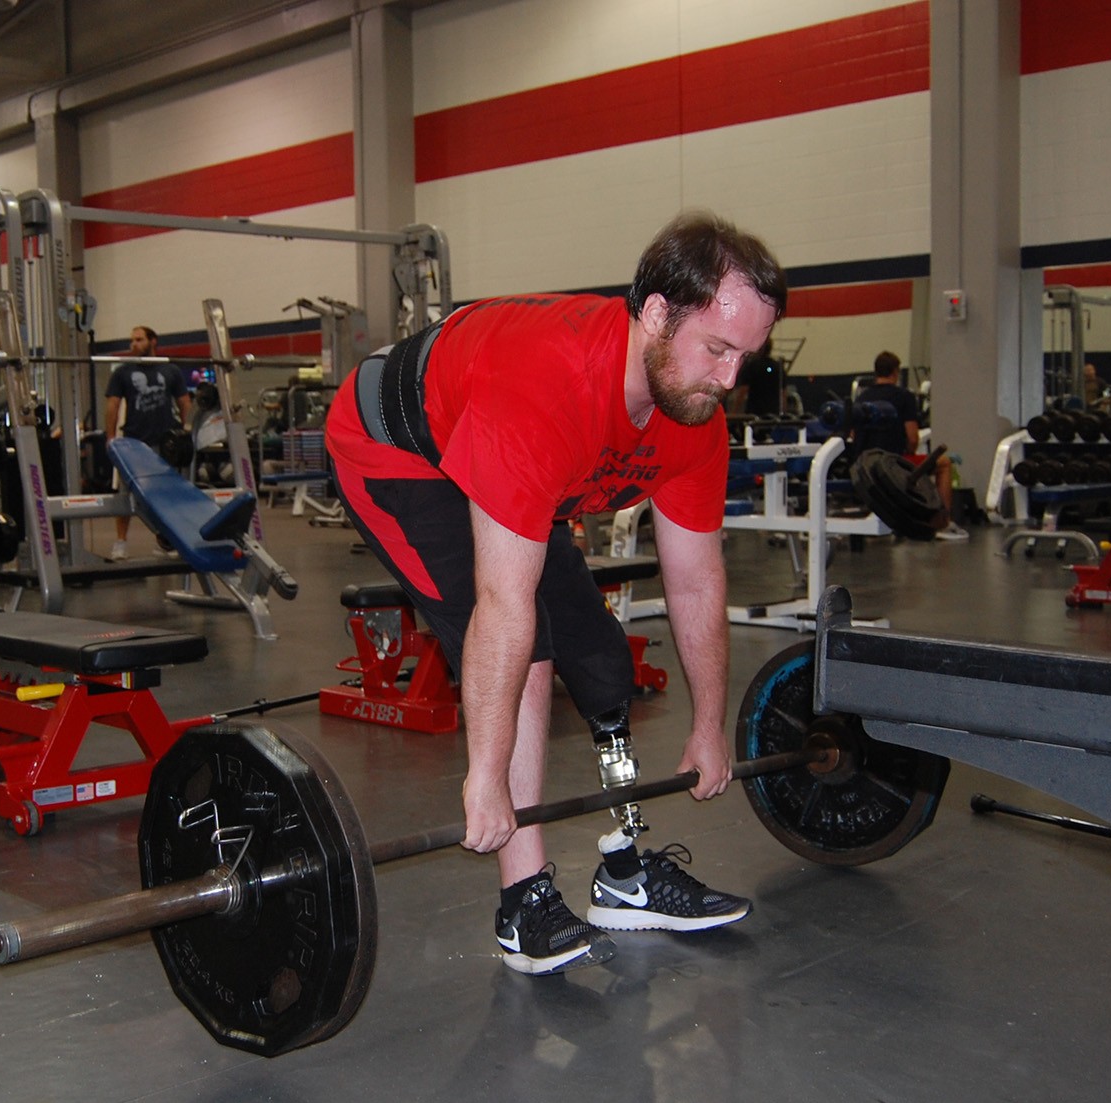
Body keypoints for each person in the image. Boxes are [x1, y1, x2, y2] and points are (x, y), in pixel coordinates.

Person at [325, 211, 783, 976]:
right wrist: (486, 777)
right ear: (658, 313)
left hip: (503, 439)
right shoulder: (546, 385)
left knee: (601, 656)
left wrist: (710, 727)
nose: (730, 379)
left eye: (747, 358)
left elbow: (697, 575)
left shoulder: (693, 413)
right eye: (718, 349)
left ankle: (626, 871)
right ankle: (523, 900)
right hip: (397, 453)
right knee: (528, 644)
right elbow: (504, 609)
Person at [850, 351, 965, 541]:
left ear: (876, 372)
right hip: (892, 465)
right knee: (944, 463)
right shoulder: (904, 396)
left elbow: (854, 434)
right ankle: (943, 523)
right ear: (895, 372)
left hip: (865, 466)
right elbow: (912, 438)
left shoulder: (862, 398)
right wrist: (909, 455)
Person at [104, 326, 193, 559]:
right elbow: (112, 405)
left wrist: (187, 432)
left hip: (165, 442)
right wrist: (110, 438)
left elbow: (184, 402)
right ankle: (121, 542)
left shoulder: (170, 369)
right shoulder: (123, 372)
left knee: (167, 495)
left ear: (153, 341)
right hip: (133, 443)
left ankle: (165, 542)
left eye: (139, 340)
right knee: (125, 494)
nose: (133, 344)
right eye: (131, 340)